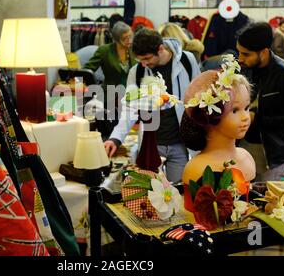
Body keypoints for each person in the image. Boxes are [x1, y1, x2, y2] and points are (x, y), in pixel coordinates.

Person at [104, 28, 201, 183]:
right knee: (151, 195)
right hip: (152, 145)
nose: (144, 64)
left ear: (160, 49)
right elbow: (130, 110)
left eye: (147, 58)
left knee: (179, 190)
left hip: (180, 145)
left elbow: (199, 98)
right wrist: (115, 139)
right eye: (140, 60)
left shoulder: (187, 61)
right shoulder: (137, 72)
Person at [236, 22, 284, 181]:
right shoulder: (242, 70)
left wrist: (258, 119)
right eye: (239, 52)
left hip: (273, 152)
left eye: (246, 54)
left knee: (266, 200)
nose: (240, 58)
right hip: (242, 147)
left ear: (263, 52)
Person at [180, 59, 256, 209]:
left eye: (247, 108)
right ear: (211, 115)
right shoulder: (196, 168)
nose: (246, 116)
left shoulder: (246, 157)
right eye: (235, 110)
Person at [84, 21, 136, 88]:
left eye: (130, 36)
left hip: (130, 93)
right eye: (125, 38)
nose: (129, 40)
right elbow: (87, 71)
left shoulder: (133, 50)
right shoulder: (104, 51)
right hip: (110, 93)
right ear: (117, 38)